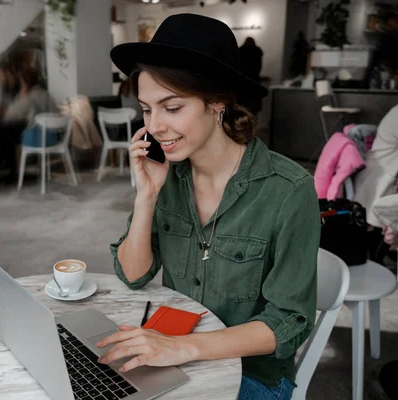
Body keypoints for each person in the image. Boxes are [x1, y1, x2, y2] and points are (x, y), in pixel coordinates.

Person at [99, 14, 319, 400]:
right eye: (147, 109)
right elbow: (132, 274)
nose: (154, 127)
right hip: (172, 353)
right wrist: (146, 194)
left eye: (172, 107)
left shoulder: (288, 191)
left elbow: (288, 321)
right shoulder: (167, 176)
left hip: (252, 375)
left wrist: (184, 349)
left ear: (217, 103)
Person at [238, 37, 264, 115]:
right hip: (254, 81)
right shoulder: (257, 52)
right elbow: (259, 67)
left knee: (242, 109)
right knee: (254, 110)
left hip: (242, 83)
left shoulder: (240, 51)